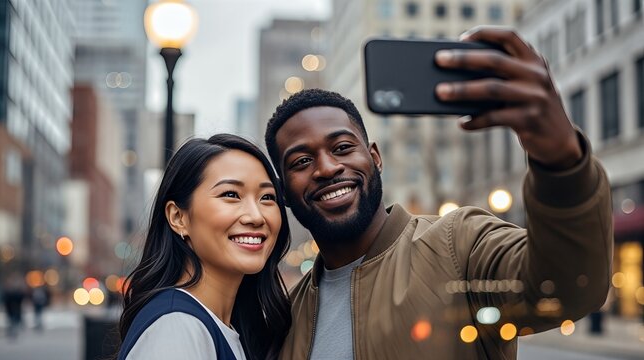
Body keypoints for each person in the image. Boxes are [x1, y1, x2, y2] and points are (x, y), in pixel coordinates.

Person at [264, 27, 613, 359]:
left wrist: (560, 159)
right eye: (302, 161)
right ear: (284, 192)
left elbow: (566, 289)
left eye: (341, 147)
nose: (326, 168)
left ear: (374, 158)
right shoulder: (288, 315)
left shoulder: (459, 244)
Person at [117, 134, 291, 360]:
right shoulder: (177, 328)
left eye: (267, 197)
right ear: (178, 217)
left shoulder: (226, 329)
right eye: (231, 194)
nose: (256, 217)